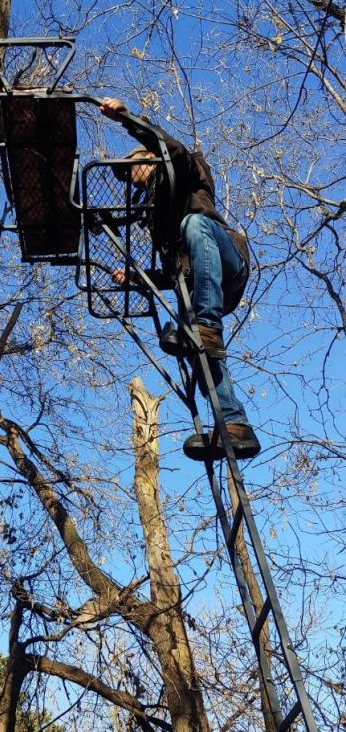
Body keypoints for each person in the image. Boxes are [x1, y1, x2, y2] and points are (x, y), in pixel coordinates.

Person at [100, 97, 261, 462]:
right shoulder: (158, 218)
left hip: (228, 260)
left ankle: (206, 323)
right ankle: (234, 427)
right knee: (201, 354)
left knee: (195, 223)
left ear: (147, 155)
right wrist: (137, 279)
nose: (130, 176)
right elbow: (176, 273)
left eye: (131, 167)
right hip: (199, 284)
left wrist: (126, 118)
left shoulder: (186, 172)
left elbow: (173, 150)